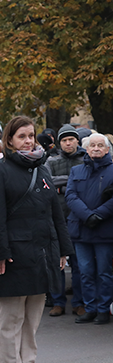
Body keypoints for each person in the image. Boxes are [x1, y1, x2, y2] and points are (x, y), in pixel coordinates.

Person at [0, 116, 73, 363]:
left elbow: (55, 213)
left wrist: (62, 249)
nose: (29, 140)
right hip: (13, 251)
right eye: (22, 136)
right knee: (11, 314)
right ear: (9, 140)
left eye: (31, 135)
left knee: (33, 314)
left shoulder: (42, 168)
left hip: (43, 249)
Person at [65, 133, 113, 324]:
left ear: (107, 150)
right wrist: (87, 215)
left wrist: (99, 214)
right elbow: (70, 196)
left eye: (100, 145)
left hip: (104, 229)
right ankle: (90, 307)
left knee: (104, 272)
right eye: (92, 145)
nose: (96, 148)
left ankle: (103, 309)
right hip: (82, 229)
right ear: (86, 148)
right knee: (84, 272)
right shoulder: (76, 171)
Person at [46, 123, 86, 317]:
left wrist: (62, 186)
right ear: (59, 142)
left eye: (71, 139)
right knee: (56, 263)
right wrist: (72, 181)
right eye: (64, 140)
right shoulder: (51, 160)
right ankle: (57, 301)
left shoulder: (86, 159)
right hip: (57, 218)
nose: (68, 143)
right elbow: (47, 182)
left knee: (79, 265)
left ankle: (79, 302)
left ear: (77, 140)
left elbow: (87, 183)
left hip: (79, 219)